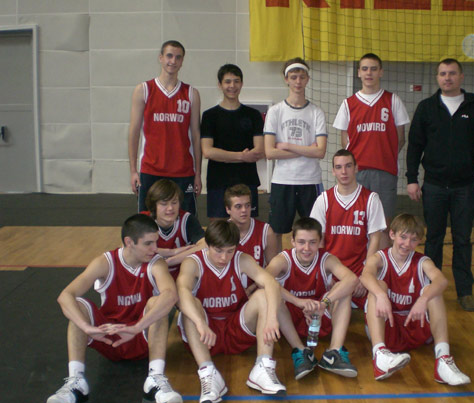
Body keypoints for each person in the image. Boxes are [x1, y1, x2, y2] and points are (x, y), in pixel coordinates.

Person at [46, 214, 182, 403]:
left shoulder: (156, 263)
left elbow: (171, 295)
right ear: (129, 242)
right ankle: (76, 384)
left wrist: (136, 328)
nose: (155, 249)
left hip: (142, 337)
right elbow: (65, 295)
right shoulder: (106, 262)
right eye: (148, 243)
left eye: (156, 242)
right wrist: (86, 328)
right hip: (108, 337)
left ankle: (154, 380)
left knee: (158, 303)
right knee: (78, 304)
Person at [406, 58, 474, 312]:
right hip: (433, 186)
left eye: (452, 73)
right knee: (433, 239)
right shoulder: (426, 108)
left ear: (461, 76)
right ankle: (430, 290)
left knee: (462, 240)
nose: (448, 78)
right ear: (437, 78)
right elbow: (415, 146)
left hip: (464, 187)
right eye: (443, 73)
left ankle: (465, 292)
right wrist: (412, 179)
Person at [175, 220, 286, 403]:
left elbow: (271, 283)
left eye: (230, 251)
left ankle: (263, 366)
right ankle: (208, 373)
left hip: (235, 326)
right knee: (190, 305)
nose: (224, 257)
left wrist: (271, 318)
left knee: (263, 295)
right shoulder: (192, 262)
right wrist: (200, 323)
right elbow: (181, 292)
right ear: (207, 245)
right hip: (206, 332)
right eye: (218, 251)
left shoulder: (242, 259)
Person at [360, 213, 471, 385]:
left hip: (414, 326)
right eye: (403, 237)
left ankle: (442, 360)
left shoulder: (422, 262)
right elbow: (365, 276)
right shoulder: (379, 258)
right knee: (377, 286)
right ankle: (380, 355)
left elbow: (441, 280)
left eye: (413, 240)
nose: (407, 244)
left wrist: (423, 299)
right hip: (387, 327)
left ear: (419, 241)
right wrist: (381, 295)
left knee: (432, 292)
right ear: (392, 234)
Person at [333, 53, 410, 249]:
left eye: (374, 69)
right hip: (356, 173)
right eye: (365, 69)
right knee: (356, 223)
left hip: (385, 172)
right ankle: (357, 263)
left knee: (383, 225)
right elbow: (345, 141)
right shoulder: (348, 104)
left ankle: (380, 265)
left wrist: (383, 154)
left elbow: (400, 138)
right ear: (359, 72)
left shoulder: (393, 100)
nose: (369, 73)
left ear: (381, 72)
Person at [266, 217, 358, 380]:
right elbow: (264, 280)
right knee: (273, 295)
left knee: (344, 290)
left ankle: (334, 352)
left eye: (312, 242)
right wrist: (298, 301)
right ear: (292, 241)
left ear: (320, 242)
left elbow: (352, 279)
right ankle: (300, 351)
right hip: (290, 318)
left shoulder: (327, 259)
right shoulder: (283, 260)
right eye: (301, 242)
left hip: (318, 316)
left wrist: (323, 304)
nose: (306, 248)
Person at [128, 40, 202, 215]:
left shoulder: (191, 93)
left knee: (186, 221)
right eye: (169, 56)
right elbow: (134, 133)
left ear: (182, 61)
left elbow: (196, 136)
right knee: (147, 222)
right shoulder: (144, 90)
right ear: (160, 58)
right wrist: (133, 171)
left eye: (178, 57)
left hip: (183, 170)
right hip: (151, 169)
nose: (173, 61)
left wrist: (198, 173)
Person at [264, 57, 328, 253]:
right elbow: (269, 152)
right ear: (286, 79)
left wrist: (287, 146)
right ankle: (276, 268)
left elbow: (320, 151)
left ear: (307, 79)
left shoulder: (316, 112)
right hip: (283, 180)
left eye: (302, 77)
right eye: (293, 77)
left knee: (315, 230)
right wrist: (306, 149)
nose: (298, 81)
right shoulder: (275, 112)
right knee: (276, 230)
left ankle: (315, 267)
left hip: (310, 180)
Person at [310, 149, 386, 308]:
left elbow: (375, 240)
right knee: (320, 311)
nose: (343, 171)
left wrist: (366, 276)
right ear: (333, 171)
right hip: (332, 273)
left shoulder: (371, 199)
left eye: (348, 166)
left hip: (360, 273)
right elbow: (318, 241)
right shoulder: (323, 200)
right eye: (338, 167)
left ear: (356, 168)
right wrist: (326, 275)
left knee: (378, 305)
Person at [201, 64, 265, 220]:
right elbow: (208, 151)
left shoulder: (253, 115)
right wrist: (241, 156)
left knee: (246, 227)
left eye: (236, 81)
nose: (232, 86)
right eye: (227, 81)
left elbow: (259, 150)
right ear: (220, 85)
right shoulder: (209, 116)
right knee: (219, 229)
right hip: (218, 181)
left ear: (242, 83)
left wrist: (224, 156)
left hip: (246, 180)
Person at [142, 179, 206, 277]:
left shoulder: (187, 220)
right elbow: (131, 249)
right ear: (154, 205)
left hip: (182, 275)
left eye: (174, 202)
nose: (170, 208)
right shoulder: (143, 220)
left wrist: (171, 260)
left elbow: (205, 245)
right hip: (150, 275)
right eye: (164, 204)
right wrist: (172, 252)